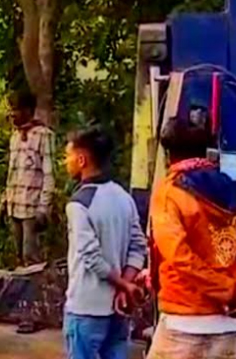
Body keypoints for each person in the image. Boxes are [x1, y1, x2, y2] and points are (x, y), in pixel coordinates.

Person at [147, 120, 236, 359]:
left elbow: (179, 257)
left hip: (183, 323)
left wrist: (226, 290)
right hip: (230, 326)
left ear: (168, 154)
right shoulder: (231, 189)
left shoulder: (169, 193)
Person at [62, 126, 148, 359]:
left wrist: (123, 285)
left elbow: (91, 257)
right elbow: (139, 245)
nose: (65, 162)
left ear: (82, 160)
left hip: (86, 307)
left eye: (68, 156)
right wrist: (126, 285)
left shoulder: (79, 204)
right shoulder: (123, 196)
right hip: (118, 308)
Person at [1, 90, 56, 267]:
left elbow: (48, 175)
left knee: (30, 256)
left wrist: (43, 209)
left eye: (15, 110)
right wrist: (4, 200)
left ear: (27, 110)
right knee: (18, 257)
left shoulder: (44, 135)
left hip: (32, 207)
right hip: (15, 205)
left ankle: (37, 292)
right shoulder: (15, 136)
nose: (11, 115)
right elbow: (13, 173)